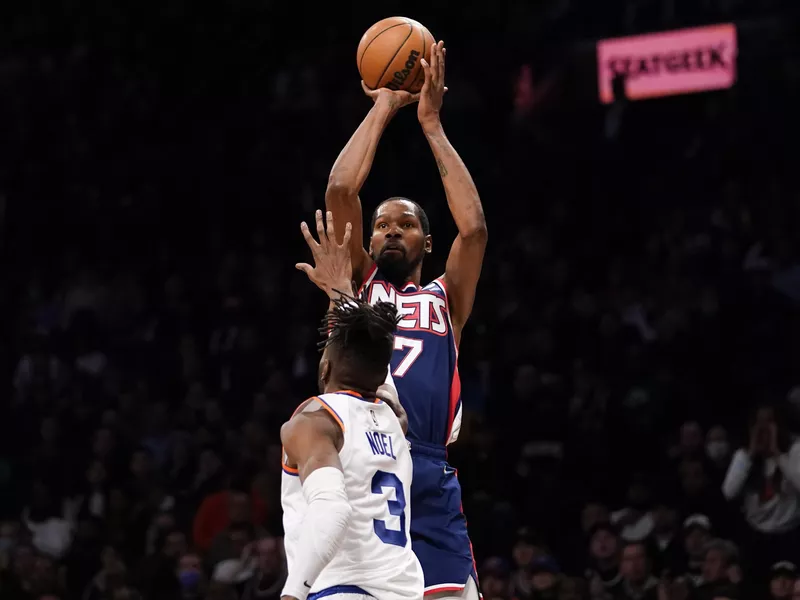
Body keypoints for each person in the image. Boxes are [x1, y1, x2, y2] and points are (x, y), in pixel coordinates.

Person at [315, 39, 487, 600]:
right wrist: (384, 106)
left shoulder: (446, 297)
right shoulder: (357, 284)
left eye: (405, 224)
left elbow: (476, 231)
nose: (390, 229)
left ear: (427, 242)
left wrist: (432, 126)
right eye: (382, 224)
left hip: (431, 471)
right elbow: (341, 188)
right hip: (367, 456)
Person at [281, 223, 423, 600]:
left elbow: (332, 513)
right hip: (405, 590)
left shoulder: (313, 421)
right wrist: (341, 294)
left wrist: (292, 593)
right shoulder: (395, 419)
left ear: (324, 367)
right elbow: (373, 361)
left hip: (343, 590)